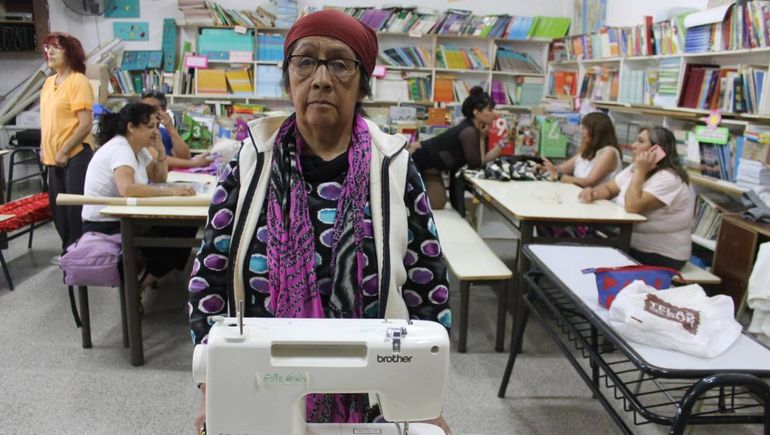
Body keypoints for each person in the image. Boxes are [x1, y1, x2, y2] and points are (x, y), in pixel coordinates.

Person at [188, 9, 451, 434]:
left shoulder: (393, 168)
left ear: (363, 82)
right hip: (260, 384)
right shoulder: (251, 162)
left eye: (340, 63)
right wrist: (210, 387)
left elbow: (428, 287)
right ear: (289, 76)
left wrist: (425, 397)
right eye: (305, 61)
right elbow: (209, 279)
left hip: (371, 393)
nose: (322, 78)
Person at [82, 102, 195, 296]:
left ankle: (141, 282)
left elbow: (159, 178)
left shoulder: (138, 148)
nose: (155, 132)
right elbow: (127, 188)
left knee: (185, 226)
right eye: (149, 127)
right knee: (177, 233)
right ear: (131, 128)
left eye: (156, 127)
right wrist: (170, 192)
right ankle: (137, 287)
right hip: (106, 223)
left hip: (126, 217)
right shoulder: (120, 149)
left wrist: (160, 153)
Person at [579, 125, 693, 269]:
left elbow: (632, 206)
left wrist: (640, 171)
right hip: (630, 242)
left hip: (660, 254)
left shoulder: (668, 178)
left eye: (640, 141)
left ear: (657, 151)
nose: (633, 146)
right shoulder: (634, 168)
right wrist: (593, 192)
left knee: (590, 251)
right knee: (586, 243)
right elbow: (609, 188)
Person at [40, 32, 94, 251]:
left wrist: (64, 149)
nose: (49, 52)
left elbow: (85, 124)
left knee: (75, 211)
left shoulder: (78, 81)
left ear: (70, 52)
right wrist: (45, 148)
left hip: (75, 155)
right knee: (58, 211)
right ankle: (68, 249)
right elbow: (47, 121)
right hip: (53, 157)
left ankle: (79, 252)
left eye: (56, 48)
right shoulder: (48, 83)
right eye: (47, 48)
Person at [407, 86, 503, 209]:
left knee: (438, 202)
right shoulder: (469, 132)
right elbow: (476, 164)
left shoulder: (473, 129)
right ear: (476, 112)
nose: (494, 114)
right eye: (490, 110)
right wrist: (482, 138)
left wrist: (489, 139)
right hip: (418, 161)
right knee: (418, 206)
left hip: (431, 168)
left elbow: (478, 160)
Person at [539, 112, 622, 186]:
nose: (582, 132)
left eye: (585, 128)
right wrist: (545, 169)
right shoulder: (588, 152)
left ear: (596, 132)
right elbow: (561, 169)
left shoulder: (609, 152)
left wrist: (558, 175)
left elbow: (588, 182)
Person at [140, 90, 212, 169]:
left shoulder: (163, 132)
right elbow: (158, 158)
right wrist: (196, 163)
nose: (146, 112)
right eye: (142, 108)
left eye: (152, 108)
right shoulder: (138, 133)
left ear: (163, 111)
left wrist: (171, 129)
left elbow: (185, 157)